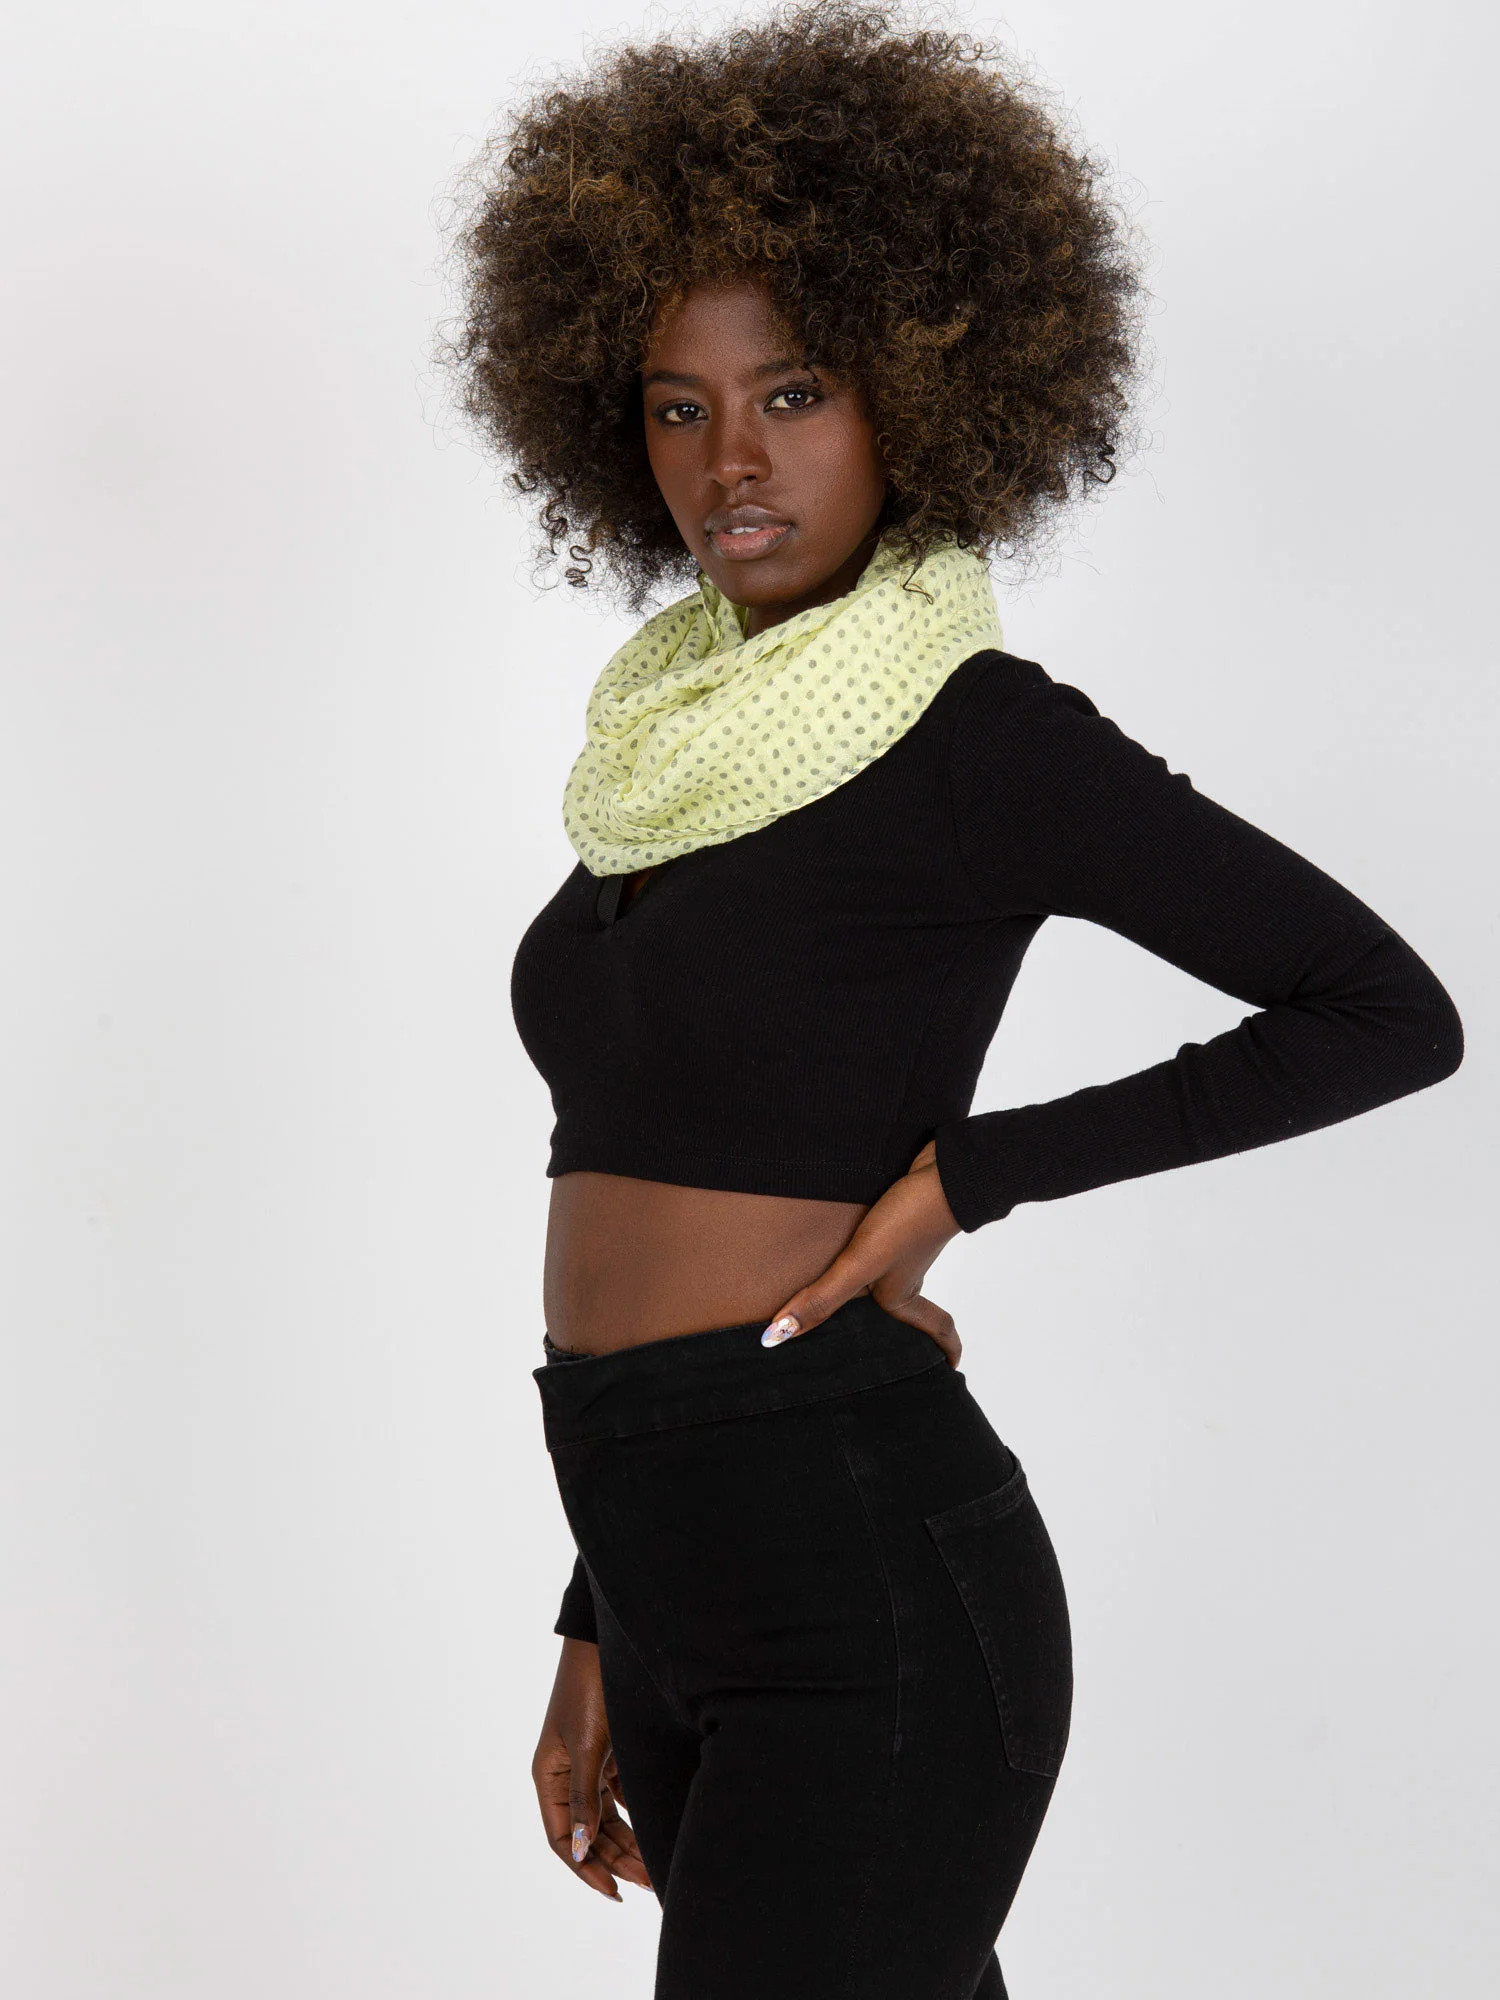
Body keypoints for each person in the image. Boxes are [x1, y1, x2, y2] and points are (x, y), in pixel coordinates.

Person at [443, 6, 1463, 1993]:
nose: (732, 460)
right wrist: (595, 1622)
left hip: (865, 1597)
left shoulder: (978, 737)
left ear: (918, 386)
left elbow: (1383, 1009)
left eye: (793, 391)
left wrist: (962, 1181)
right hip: (661, 1576)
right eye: (676, 407)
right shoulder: (668, 755)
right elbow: (642, 1195)